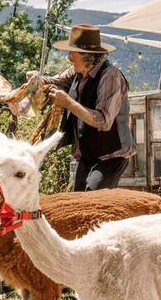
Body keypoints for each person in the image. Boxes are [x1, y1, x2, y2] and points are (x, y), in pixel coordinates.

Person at [34, 24, 136, 192]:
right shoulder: (77, 71)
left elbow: (103, 121)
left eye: (72, 51)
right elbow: (54, 81)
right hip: (87, 155)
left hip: (111, 157)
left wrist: (68, 103)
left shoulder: (110, 75)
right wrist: (37, 80)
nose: (68, 56)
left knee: (92, 198)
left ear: (86, 55)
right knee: (79, 201)